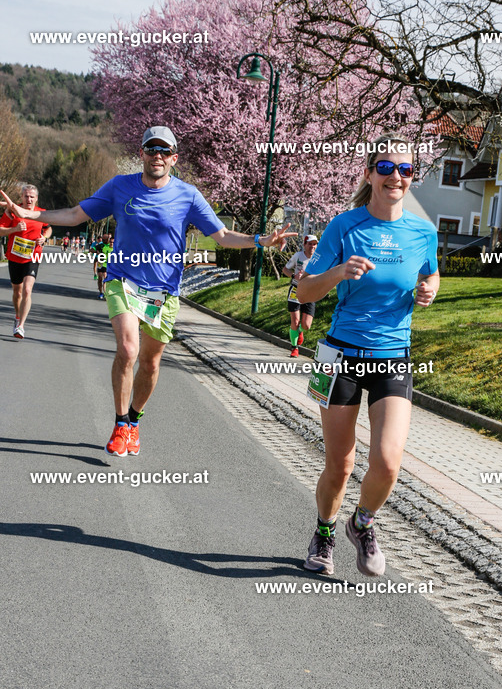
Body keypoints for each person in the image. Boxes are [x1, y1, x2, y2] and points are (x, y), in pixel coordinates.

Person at [1, 125, 293, 456]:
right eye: (151, 149)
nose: (157, 156)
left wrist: (260, 240)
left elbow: (223, 236)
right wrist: (30, 213)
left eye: (164, 151)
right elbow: (74, 214)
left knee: (151, 364)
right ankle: (120, 423)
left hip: (163, 291)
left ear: (174, 158)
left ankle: (135, 422)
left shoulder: (188, 195)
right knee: (128, 349)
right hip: (122, 280)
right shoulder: (120, 187)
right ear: (141, 153)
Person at [296, 134, 439, 578]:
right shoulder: (345, 225)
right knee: (340, 463)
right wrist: (339, 271)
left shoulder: (424, 231)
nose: (396, 176)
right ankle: (324, 532)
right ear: (369, 173)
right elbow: (303, 289)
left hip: (393, 355)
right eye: (386, 168)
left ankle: (362, 523)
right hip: (337, 354)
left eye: (406, 169)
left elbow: (432, 276)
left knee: (389, 461)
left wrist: (429, 291)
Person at [0, 183, 51, 339]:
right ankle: (17, 315)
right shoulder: (12, 212)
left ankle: (21, 326)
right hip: (15, 256)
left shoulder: (41, 213)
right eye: (26, 196)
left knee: (28, 290)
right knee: (17, 292)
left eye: (32, 197)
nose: (29, 199)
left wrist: (44, 238)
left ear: (36, 198)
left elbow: (48, 228)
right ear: (21, 197)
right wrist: (14, 229)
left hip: (33, 255)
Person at [281, 233, 318, 357]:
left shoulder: (318, 259)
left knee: (306, 325)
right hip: (296, 290)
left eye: (314, 244)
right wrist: (293, 276)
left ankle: (300, 332)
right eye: (310, 244)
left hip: (311, 291)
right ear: (304, 245)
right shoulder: (298, 256)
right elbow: (285, 269)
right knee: (295, 320)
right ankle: (294, 347)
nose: (312, 246)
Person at [92, 231, 113, 299]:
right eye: (102, 240)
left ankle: (105, 293)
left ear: (108, 240)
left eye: (104, 240)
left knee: (105, 278)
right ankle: (101, 293)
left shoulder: (111, 246)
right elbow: (91, 250)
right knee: (100, 278)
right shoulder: (100, 245)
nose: (103, 241)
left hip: (108, 265)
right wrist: (96, 251)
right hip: (101, 264)